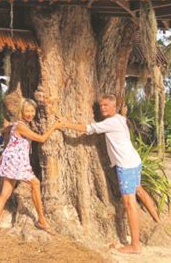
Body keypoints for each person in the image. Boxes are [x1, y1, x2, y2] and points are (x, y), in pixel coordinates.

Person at [57, 93, 160, 254]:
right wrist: (123, 112)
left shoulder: (110, 122)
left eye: (106, 105)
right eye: (101, 106)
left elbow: (88, 129)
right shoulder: (120, 118)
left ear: (114, 106)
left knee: (129, 203)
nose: (102, 108)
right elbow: (123, 116)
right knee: (139, 189)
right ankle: (157, 220)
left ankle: (135, 245)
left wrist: (64, 124)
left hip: (126, 166)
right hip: (135, 161)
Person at [0, 98, 61, 237]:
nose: (30, 114)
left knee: (4, 194)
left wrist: (4, 128)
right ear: (21, 111)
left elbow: (5, 129)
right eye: (27, 111)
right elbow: (41, 139)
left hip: (10, 160)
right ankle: (42, 221)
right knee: (35, 183)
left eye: (32, 111)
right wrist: (55, 126)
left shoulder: (16, 125)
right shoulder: (21, 126)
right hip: (17, 161)